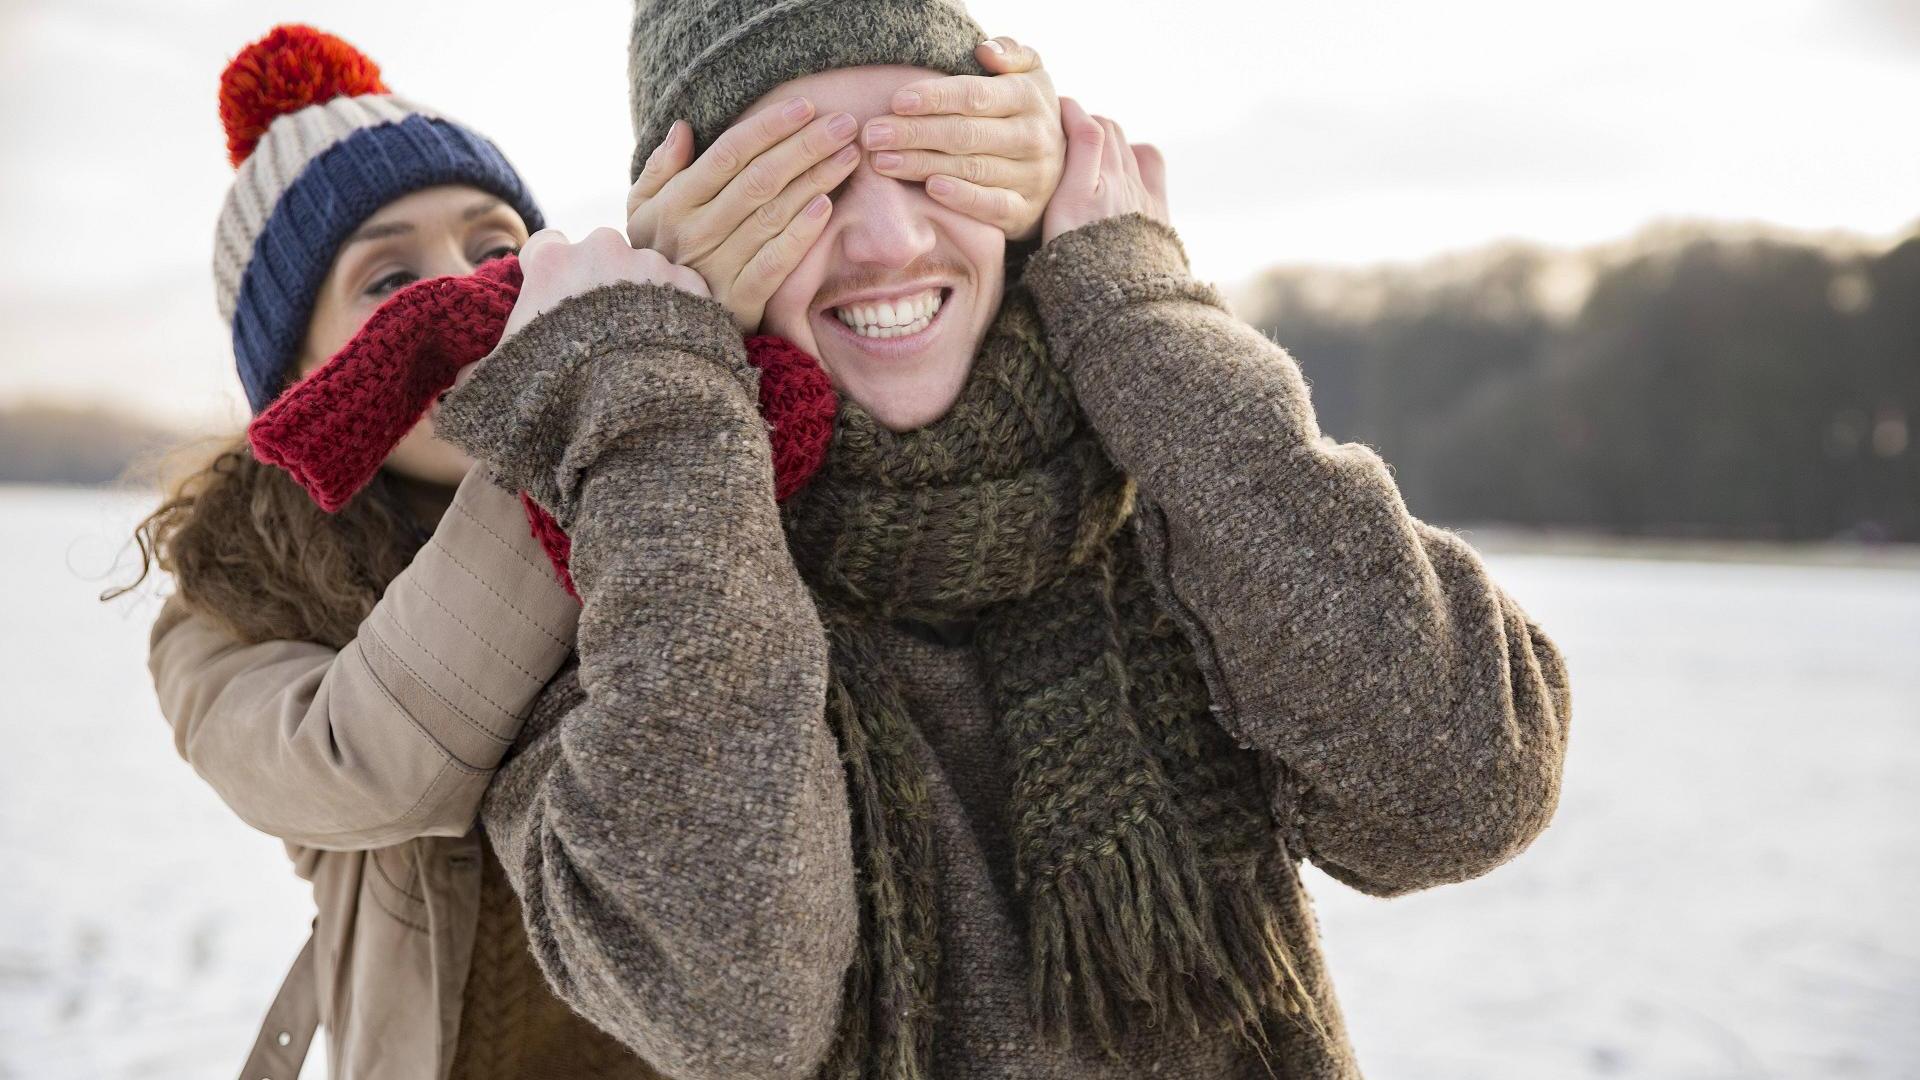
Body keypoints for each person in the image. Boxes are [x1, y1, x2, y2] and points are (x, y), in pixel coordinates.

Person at [426, 0, 1574, 1077]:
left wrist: (1139, 312)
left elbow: (1462, 787)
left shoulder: (1173, 484)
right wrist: (659, 392)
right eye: (803, 182)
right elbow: (727, 1003)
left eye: (933, 156)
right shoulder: (632, 590)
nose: (886, 238)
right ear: (703, 243)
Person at [132, 21, 1068, 1080]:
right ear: (300, 380)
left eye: (495, 251)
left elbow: (929, 395)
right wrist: (589, 403)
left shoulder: (699, 442)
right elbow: (376, 763)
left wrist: (1019, 157)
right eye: (388, 284)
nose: (469, 297)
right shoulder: (229, 611)